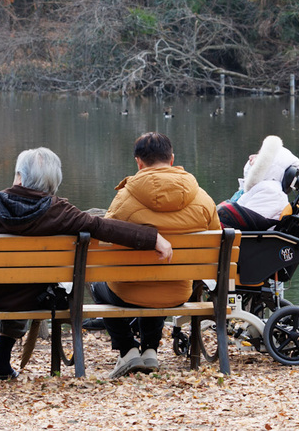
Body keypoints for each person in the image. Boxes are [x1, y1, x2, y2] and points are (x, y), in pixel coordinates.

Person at [0, 147, 173, 379]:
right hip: (24, 299)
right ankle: (1, 358)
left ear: (19, 177)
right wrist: (152, 238)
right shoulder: (60, 212)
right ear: (54, 183)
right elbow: (101, 226)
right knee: (23, 281)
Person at [93, 131, 219, 377]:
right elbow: (216, 240)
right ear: (171, 159)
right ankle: (150, 351)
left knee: (99, 284)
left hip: (128, 293)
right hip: (178, 292)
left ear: (138, 162)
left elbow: (104, 240)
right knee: (161, 275)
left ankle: (128, 350)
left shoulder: (124, 198)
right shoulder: (202, 198)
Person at [217, 135, 299, 230]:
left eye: (259, 155)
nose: (251, 157)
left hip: (241, 238)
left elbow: (243, 224)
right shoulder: (266, 188)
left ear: (266, 164)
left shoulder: (270, 191)